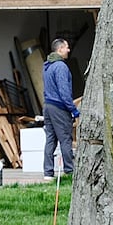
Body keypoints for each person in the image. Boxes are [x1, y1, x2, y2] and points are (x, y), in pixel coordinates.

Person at [42, 38, 80, 180]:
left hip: (47, 106)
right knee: (65, 139)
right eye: (66, 47)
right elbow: (64, 91)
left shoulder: (47, 65)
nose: (68, 50)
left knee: (50, 139)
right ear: (60, 49)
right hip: (59, 107)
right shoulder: (61, 67)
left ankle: (48, 173)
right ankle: (69, 171)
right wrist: (73, 109)